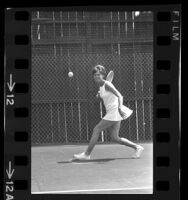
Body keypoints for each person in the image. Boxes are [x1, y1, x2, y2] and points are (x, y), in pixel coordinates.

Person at [73, 65, 144, 160]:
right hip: (112, 112)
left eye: (99, 74)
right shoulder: (101, 86)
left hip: (115, 111)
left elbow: (120, 96)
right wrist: (100, 95)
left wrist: (119, 108)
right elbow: (107, 96)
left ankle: (87, 154)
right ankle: (138, 147)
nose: (96, 76)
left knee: (96, 129)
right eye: (95, 74)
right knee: (115, 138)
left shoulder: (107, 84)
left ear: (103, 75)